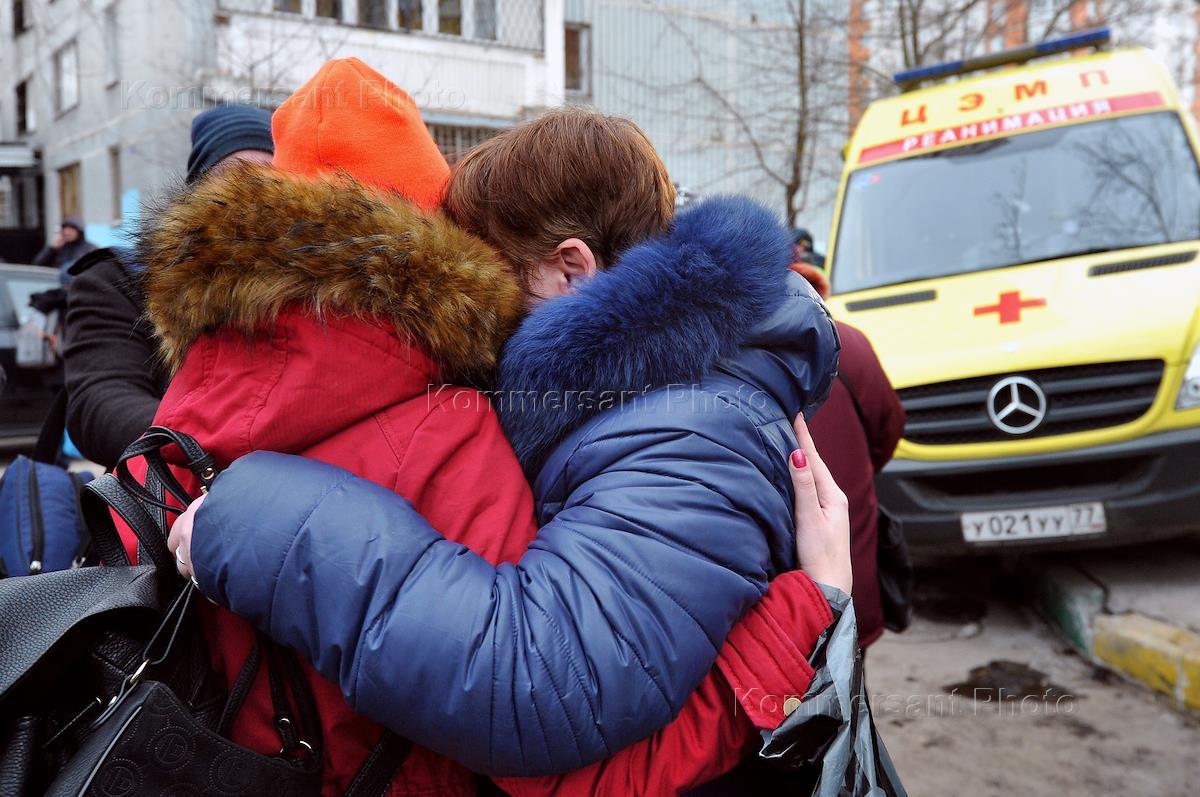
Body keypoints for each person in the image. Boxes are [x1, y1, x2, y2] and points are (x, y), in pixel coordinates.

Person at [160, 95, 845, 793]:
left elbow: (540, 686)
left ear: (571, 269)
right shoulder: (631, 396)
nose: (483, 319)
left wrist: (254, 519)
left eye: (496, 279)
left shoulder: (691, 429)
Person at [62, 104, 274, 468]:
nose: (255, 195)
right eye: (235, 177)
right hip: (168, 491)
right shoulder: (121, 279)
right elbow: (98, 402)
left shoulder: (313, 285)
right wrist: (211, 447)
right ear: (195, 196)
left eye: (275, 179)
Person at [792, 262, 905, 647]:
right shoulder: (847, 343)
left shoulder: (715, 351)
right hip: (848, 574)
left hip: (766, 612)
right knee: (847, 675)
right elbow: (888, 430)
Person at [33, 217, 96, 282]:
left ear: (79, 232)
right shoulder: (59, 247)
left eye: (71, 230)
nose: (67, 233)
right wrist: (52, 249)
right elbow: (38, 264)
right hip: (55, 282)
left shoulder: (89, 248)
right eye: (65, 229)